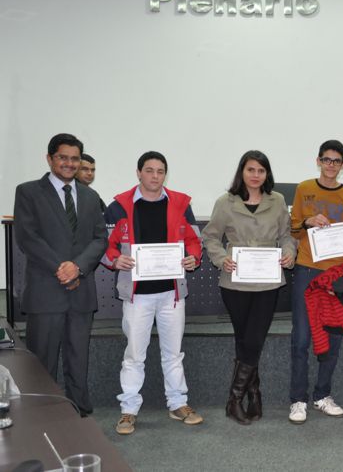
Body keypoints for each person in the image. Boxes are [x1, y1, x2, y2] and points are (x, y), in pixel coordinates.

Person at [103, 151, 204, 435]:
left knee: (174, 354)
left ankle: (177, 403)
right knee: (135, 355)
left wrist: (192, 258)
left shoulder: (181, 204)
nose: (155, 176)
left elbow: (194, 242)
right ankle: (128, 410)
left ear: (165, 175)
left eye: (160, 171)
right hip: (137, 296)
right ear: (138, 173)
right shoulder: (118, 206)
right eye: (149, 170)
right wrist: (114, 259)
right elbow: (105, 246)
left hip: (171, 293)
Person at [13, 133, 107, 416]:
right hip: (46, 291)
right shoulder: (28, 192)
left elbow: (99, 239)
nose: (69, 163)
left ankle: (79, 415)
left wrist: (77, 267)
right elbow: (28, 237)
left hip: (81, 291)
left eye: (74, 158)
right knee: (42, 363)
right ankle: (43, 417)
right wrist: (61, 267)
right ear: (50, 158)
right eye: (63, 157)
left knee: (79, 360)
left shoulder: (91, 197)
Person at [202, 150, 297, 425]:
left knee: (253, 339)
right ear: (242, 172)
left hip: (267, 282)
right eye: (251, 170)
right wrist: (222, 259)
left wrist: (289, 253)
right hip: (235, 282)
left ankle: (234, 400)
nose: (256, 176)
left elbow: (286, 236)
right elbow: (210, 237)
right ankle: (253, 394)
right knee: (244, 339)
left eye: (261, 171)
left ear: (267, 174)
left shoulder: (277, 201)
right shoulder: (226, 202)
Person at [287, 140, 343, 424]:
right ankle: (298, 400)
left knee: (333, 337)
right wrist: (307, 222)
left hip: (336, 274)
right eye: (326, 160)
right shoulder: (304, 188)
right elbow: (292, 227)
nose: (331, 165)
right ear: (318, 161)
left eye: (336, 161)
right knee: (302, 338)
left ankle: (322, 395)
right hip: (307, 269)